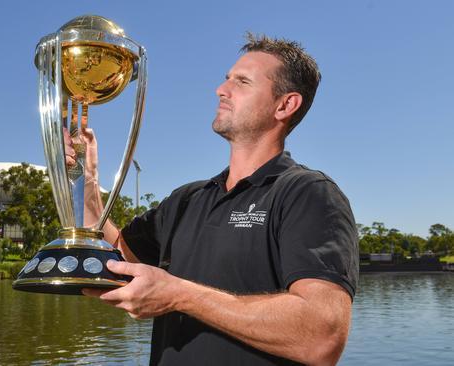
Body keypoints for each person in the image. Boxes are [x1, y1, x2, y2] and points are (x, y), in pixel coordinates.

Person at [66, 33, 359, 366]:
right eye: (226, 79)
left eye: (242, 82)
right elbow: (117, 261)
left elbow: (322, 337)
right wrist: (84, 179)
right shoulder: (187, 199)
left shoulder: (308, 193)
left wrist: (179, 295)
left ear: (285, 105)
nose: (221, 90)